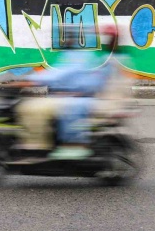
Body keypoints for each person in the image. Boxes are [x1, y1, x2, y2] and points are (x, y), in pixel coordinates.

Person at [23, 24, 120, 159]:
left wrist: (30, 80)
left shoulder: (81, 56)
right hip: (71, 95)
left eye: (68, 37)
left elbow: (61, 73)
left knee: (41, 109)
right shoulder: (71, 54)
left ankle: (65, 146)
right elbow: (58, 72)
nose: (65, 40)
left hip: (80, 97)